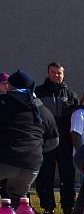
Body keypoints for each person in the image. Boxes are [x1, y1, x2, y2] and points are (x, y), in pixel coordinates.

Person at [0, 70, 58, 206]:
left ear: (11, 86)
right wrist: (36, 148)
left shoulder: (3, 103)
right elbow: (54, 141)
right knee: (17, 198)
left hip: (4, 159)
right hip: (31, 164)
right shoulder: (43, 110)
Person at [34, 62, 80, 214]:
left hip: (65, 142)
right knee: (45, 175)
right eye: (53, 72)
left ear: (63, 74)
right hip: (45, 141)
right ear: (48, 73)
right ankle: (48, 207)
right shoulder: (38, 92)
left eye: (59, 73)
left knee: (67, 175)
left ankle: (68, 207)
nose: (56, 75)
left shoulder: (71, 95)